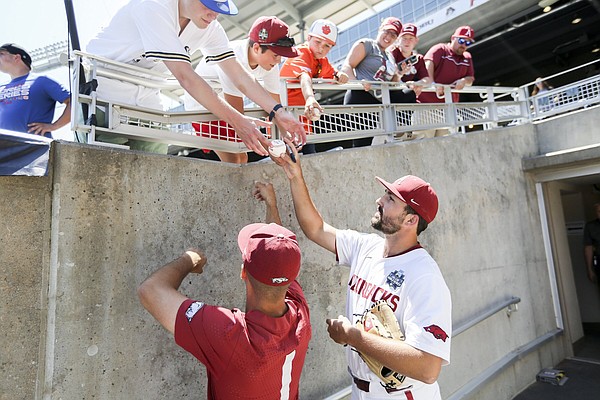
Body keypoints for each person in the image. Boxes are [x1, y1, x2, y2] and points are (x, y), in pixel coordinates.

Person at [272, 143, 451, 399]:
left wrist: (354, 337)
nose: (379, 200)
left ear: (411, 220)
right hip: (361, 390)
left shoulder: (425, 276)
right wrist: (295, 176)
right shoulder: (366, 246)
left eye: (390, 199)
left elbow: (428, 368)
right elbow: (316, 229)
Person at [137, 187, 311, 398]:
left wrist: (190, 259)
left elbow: (150, 291)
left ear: (243, 272)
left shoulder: (230, 335)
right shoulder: (299, 311)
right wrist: (271, 207)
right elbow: (278, 259)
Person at [86, 0, 305, 155]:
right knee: (107, 168)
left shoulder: (211, 27)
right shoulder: (153, 6)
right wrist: (239, 121)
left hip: (147, 96)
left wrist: (279, 111)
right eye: (207, 4)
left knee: (155, 166)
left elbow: (239, 75)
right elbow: (185, 76)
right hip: (105, 91)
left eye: (218, 7)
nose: (213, 13)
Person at [185, 16, 299, 164]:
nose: (279, 61)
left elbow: (275, 107)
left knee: (242, 157)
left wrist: (285, 137)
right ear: (257, 48)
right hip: (203, 108)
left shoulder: (270, 63)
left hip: (226, 106)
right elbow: (236, 110)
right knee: (233, 158)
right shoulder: (232, 55)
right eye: (276, 55)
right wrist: (269, 146)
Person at [279, 19, 349, 154]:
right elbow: (304, 77)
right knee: (287, 160)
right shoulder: (300, 52)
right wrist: (310, 97)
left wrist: (339, 74)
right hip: (284, 117)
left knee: (309, 159)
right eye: (318, 42)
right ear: (309, 38)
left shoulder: (322, 60)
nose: (321, 48)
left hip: (303, 120)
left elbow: (333, 73)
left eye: (327, 45)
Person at [339, 17, 405, 147]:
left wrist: (400, 74)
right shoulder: (367, 44)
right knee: (362, 143)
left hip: (378, 101)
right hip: (361, 96)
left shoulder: (390, 56)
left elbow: (392, 83)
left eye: (393, 35)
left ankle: (402, 126)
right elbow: (347, 67)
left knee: (408, 93)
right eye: (387, 31)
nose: (389, 37)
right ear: (380, 29)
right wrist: (358, 83)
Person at [415, 26, 476, 138]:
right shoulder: (440, 49)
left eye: (467, 43)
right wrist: (433, 85)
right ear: (453, 38)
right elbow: (427, 66)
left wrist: (463, 81)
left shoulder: (467, 57)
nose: (464, 45)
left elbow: (470, 79)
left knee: (448, 146)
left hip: (449, 108)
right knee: (422, 145)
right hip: (427, 107)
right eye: (461, 40)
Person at [0, 43, 71, 138]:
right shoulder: (1, 88)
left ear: (16, 57)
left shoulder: (41, 81)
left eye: (1, 54)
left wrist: (55, 126)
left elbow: (74, 103)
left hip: (35, 149)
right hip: (5, 148)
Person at [389, 23, 431, 103]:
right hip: (392, 94)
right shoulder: (393, 52)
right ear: (398, 39)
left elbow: (427, 79)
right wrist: (399, 74)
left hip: (408, 96)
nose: (407, 42)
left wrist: (417, 83)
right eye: (404, 38)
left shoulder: (418, 58)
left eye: (411, 38)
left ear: (416, 40)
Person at [584, 202, 600, 286]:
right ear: (596, 213)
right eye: (599, 211)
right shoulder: (590, 226)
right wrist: (589, 269)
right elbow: (588, 248)